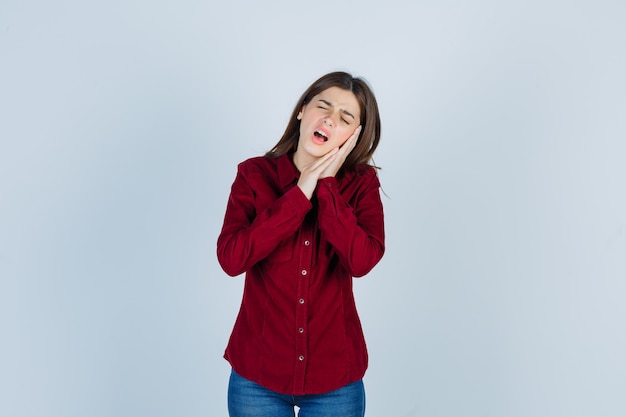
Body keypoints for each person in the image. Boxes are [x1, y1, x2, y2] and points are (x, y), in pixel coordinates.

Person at [217, 71, 385, 417]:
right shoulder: (253, 175)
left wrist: (326, 186)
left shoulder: (362, 185)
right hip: (256, 379)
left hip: (335, 382)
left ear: (354, 136)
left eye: (345, 117)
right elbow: (232, 259)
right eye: (323, 106)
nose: (329, 119)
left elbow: (362, 261)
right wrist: (299, 192)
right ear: (302, 111)